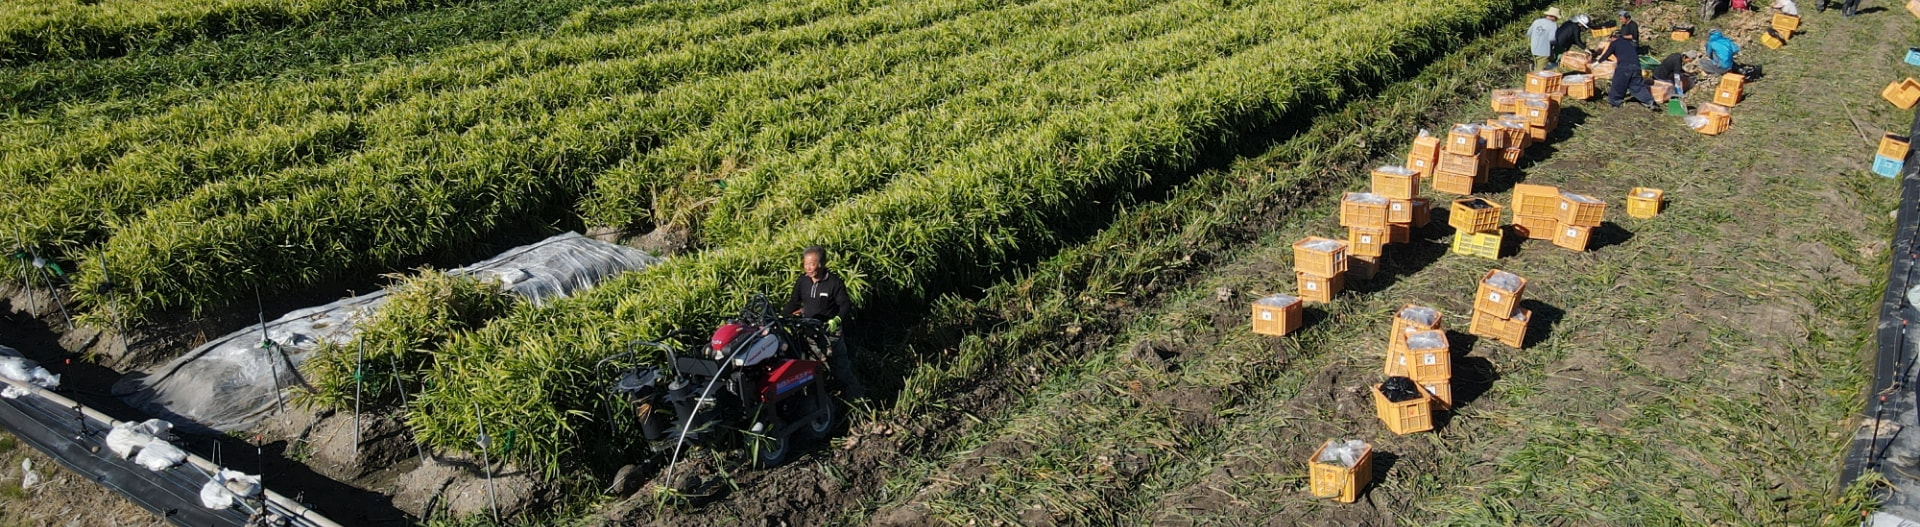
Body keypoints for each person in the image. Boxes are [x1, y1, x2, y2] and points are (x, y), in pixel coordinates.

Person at [783, 246, 867, 399]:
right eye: (805, 264)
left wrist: (837, 319)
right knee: (812, 369)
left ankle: (857, 398)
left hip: (830, 334)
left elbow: (845, 305)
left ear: (821, 264)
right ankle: (819, 401)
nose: (808, 268)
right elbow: (794, 302)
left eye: (812, 264)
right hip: (809, 332)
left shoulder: (834, 283)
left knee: (841, 368)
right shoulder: (802, 281)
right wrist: (782, 317)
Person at [1593, 34, 1659, 110]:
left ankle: (1615, 104)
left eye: (1610, 38)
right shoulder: (1629, 44)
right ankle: (1650, 102)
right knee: (1638, 87)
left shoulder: (1615, 43)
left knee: (1618, 85)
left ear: (1613, 37)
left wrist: (1597, 63)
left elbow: (1607, 54)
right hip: (1636, 67)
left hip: (1624, 67)